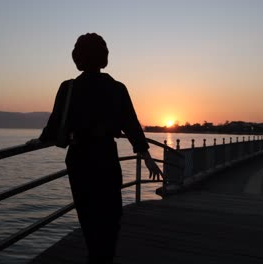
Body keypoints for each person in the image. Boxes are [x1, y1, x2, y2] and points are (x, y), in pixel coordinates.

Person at [27, 33, 163, 264]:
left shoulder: (68, 88)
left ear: (77, 57)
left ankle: (95, 257)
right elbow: (131, 124)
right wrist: (147, 156)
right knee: (110, 216)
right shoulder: (117, 88)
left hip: (79, 158)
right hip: (105, 156)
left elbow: (54, 124)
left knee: (88, 216)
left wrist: (39, 141)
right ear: (104, 57)